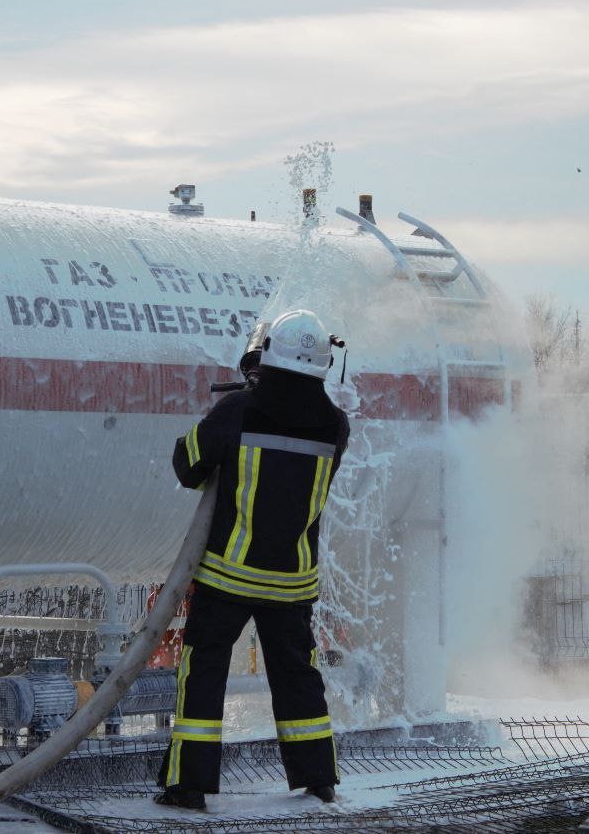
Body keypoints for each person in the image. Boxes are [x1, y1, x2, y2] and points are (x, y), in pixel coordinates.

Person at [155, 309, 350, 810]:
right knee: (297, 675)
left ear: (268, 354)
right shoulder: (335, 425)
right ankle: (318, 778)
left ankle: (189, 785)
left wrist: (225, 414)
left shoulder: (237, 411)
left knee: (204, 669)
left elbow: (188, 467)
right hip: (291, 580)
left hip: (228, 574)